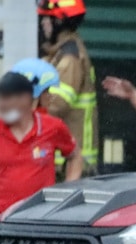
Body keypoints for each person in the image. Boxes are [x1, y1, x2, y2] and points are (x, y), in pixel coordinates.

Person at [0, 71, 82, 236]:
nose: (1, 105)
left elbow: (74, 156)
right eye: (0, 98)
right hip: (2, 222)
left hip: (42, 220)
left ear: (26, 100)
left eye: (7, 98)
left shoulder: (52, 127)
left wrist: (66, 191)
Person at [37, 0, 97, 171]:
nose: (43, 23)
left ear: (59, 22)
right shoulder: (60, 53)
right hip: (67, 159)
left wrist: (24, 108)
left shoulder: (70, 58)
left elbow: (57, 104)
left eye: (47, 19)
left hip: (69, 163)